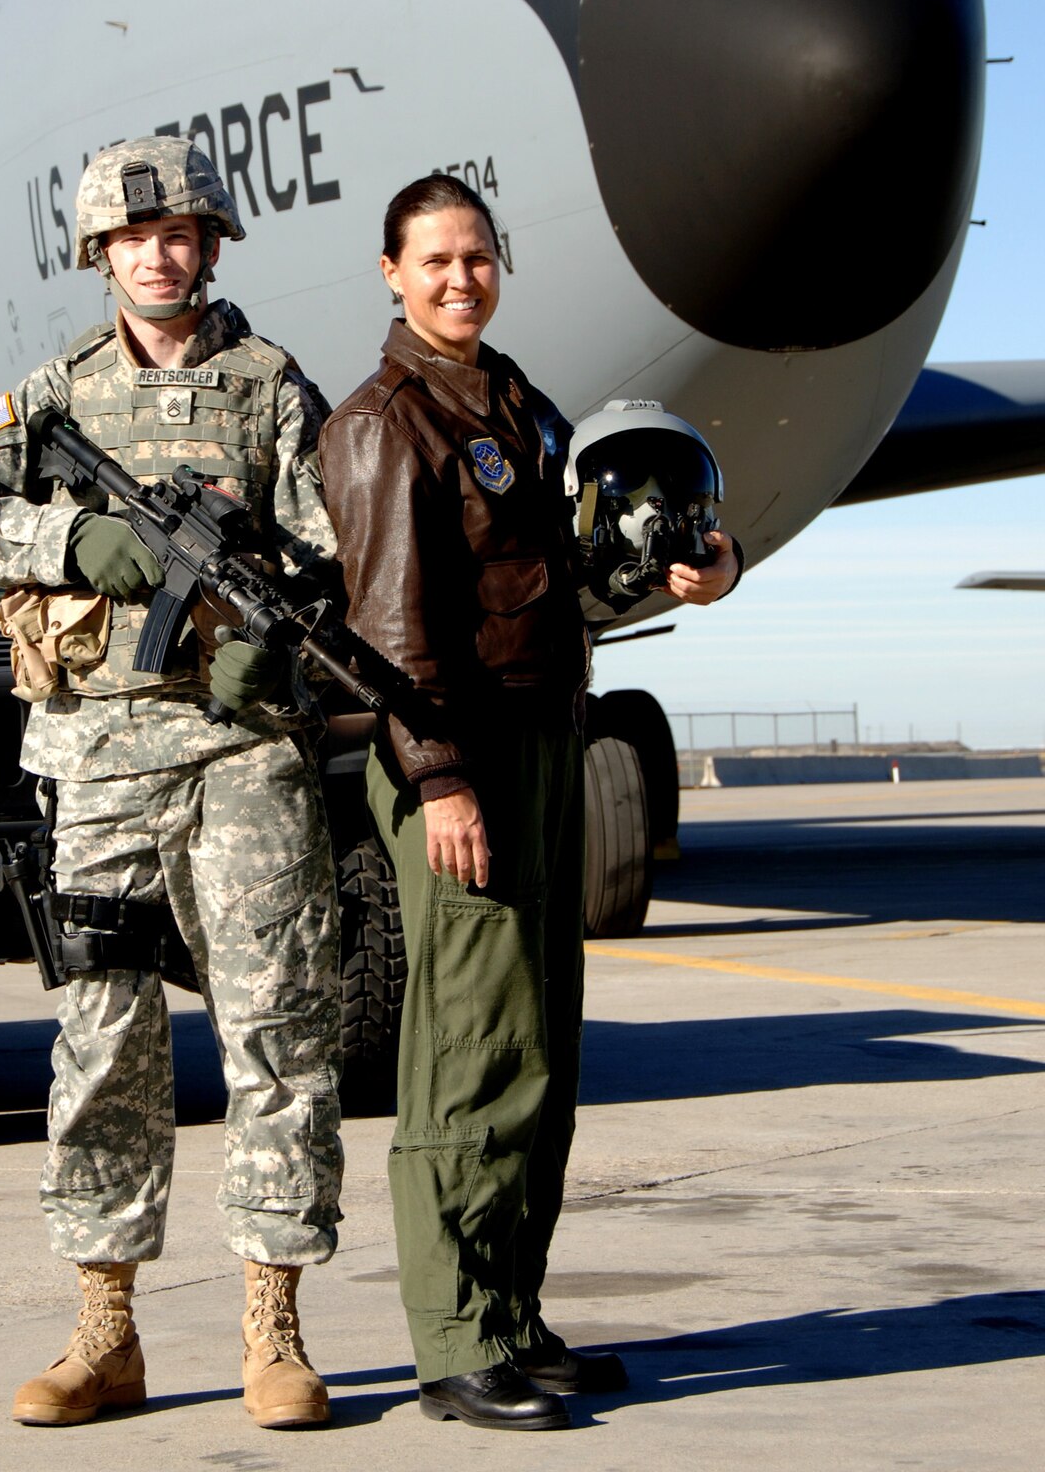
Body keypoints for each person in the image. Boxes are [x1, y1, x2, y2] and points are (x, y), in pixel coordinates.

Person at [0, 137, 342, 1431]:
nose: (160, 253)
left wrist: (279, 627)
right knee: (103, 1039)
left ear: (210, 246)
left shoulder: (270, 389)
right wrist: (71, 538)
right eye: (134, 238)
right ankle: (105, 1331)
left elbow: (330, 542)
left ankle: (274, 1328)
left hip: (242, 753)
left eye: (182, 233)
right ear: (101, 254)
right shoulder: (53, 397)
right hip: (95, 760)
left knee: (275, 1031)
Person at [318, 172, 738, 1433]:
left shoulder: (516, 401)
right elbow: (385, 632)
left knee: (542, 1047)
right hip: (464, 757)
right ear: (390, 272)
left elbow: (568, 575)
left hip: (548, 736)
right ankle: (452, 1340)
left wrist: (697, 569)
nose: (459, 277)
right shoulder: (384, 420)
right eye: (434, 259)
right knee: (469, 1050)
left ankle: (512, 1314)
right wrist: (437, 779)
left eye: (478, 255)